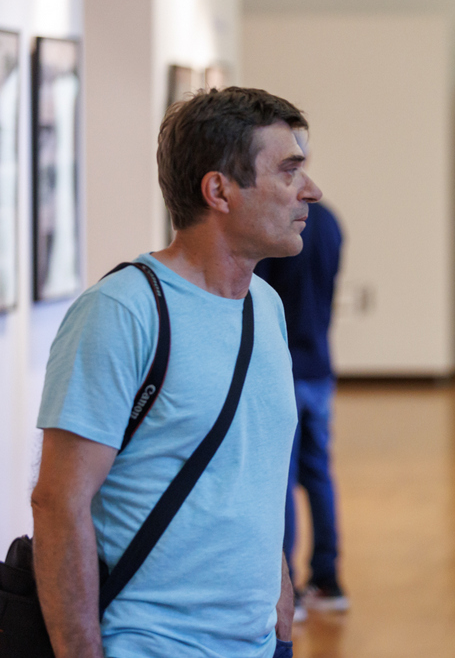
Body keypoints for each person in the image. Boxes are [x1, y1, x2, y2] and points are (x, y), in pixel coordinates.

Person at [31, 87, 323, 658]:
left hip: (258, 643)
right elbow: (58, 504)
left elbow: (250, 482)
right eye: (288, 171)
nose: (309, 190)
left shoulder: (265, 307)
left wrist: (281, 615)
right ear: (219, 191)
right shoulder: (122, 312)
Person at [255, 202, 348, 615]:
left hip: (285, 371)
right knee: (319, 474)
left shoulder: (275, 225)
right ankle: (328, 581)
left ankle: (287, 586)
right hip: (320, 368)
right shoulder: (330, 224)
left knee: (283, 479)